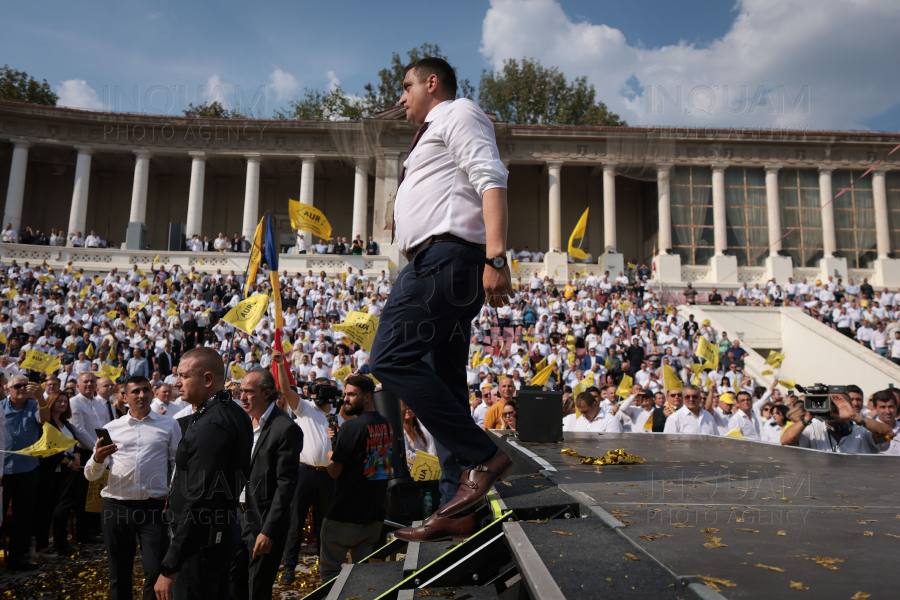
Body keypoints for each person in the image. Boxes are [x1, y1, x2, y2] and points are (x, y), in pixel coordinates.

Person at [371, 57, 514, 544]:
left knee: (388, 357)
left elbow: (490, 177)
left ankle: (483, 456)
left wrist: (497, 257)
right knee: (448, 381)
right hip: (440, 261)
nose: (401, 97)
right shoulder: (432, 130)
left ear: (432, 84)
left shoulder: (457, 113)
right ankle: (458, 504)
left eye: (407, 86)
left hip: (447, 259)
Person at [155, 347, 252, 600]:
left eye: (184, 376)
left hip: (199, 544)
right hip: (217, 533)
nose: (177, 383)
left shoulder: (212, 424)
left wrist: (171, 563)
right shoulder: (233, 413)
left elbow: (199, 500)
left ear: (207, 379)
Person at [85, 376, 180, 600]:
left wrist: (172, 495)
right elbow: (91, 475)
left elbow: (177, 464)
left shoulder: (169, 424)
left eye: (146, 390)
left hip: (154, 509)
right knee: (119, 573)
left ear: (152, 393)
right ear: (125, 397)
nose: (141, 395)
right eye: (135, 391)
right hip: (116, 508)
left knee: (155, 571)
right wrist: (97, 459)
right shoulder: (110, 428)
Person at [230, 368, 303, 600]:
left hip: (263, 522)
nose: (242, 396)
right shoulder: (241, 422)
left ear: (267, 393)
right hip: (236, 519)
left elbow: (286, 485)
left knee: (257, 590)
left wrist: (268, 531)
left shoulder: (285, 428)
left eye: (249, 392)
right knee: (233, 584)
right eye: (241, 391)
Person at [319, 375, 392, 581]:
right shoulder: (386, 424)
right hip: (371, 516)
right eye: (345, 394)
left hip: (344, 516)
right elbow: (369, 460)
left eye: (352, 394)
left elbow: (334, 471)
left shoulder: (352, 428)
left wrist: (331, 456)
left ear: (368, 397)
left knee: (330, 575)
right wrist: (342, 437)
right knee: (362, 578)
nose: (346, 399)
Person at [274, 362, 335, 583]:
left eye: (326, 388)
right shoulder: (305, 407)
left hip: (329, 474)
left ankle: (325, 565)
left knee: (325, 523)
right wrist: (281, 364)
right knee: (296, 521)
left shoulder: (338, 414)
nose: (322, 393)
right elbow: (284, 388)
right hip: (304, 472)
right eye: (318, 388)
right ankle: (289, 566)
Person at [2, 375, 43, 570]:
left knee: (23, 517)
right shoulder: (0, 407)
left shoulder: (34, 406)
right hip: (2, 471)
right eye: (17, 386)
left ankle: (17, 559)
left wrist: (41, 398)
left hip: (27, 470)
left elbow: (45, 419)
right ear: (7, 389)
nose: (22, 388)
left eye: (25, 385)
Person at [35, 389, 82, 557]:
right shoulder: (46, 424)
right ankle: (42, 546)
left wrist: (76, 455)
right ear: (51, 402)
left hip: (67, 473)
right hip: (50, 472)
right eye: (59, 401)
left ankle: (60, 542)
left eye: (65, 401)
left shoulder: (66, 423)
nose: (63, 404)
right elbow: (49, 451)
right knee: (46, 510)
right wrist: (69, 460)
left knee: (62, 509)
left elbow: (74, 444)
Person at [781, 392, 891, 453]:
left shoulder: (862, 427)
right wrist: (807, 417)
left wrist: (853, 416)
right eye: (830, 403)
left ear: (850, 406)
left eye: (840, 403)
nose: (834, 407)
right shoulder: (814, 427)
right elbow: (786, 441)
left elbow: (888, 434)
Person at [401, 401, 437, 468]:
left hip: (426, 468)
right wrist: (426, 460)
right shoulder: (402, 431)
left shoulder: (418, 430)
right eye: (405, 409)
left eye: (409, 408)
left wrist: (431, 461)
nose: (407, 411)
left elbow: (426, 449)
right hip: (413, 470)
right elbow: (406, 454)